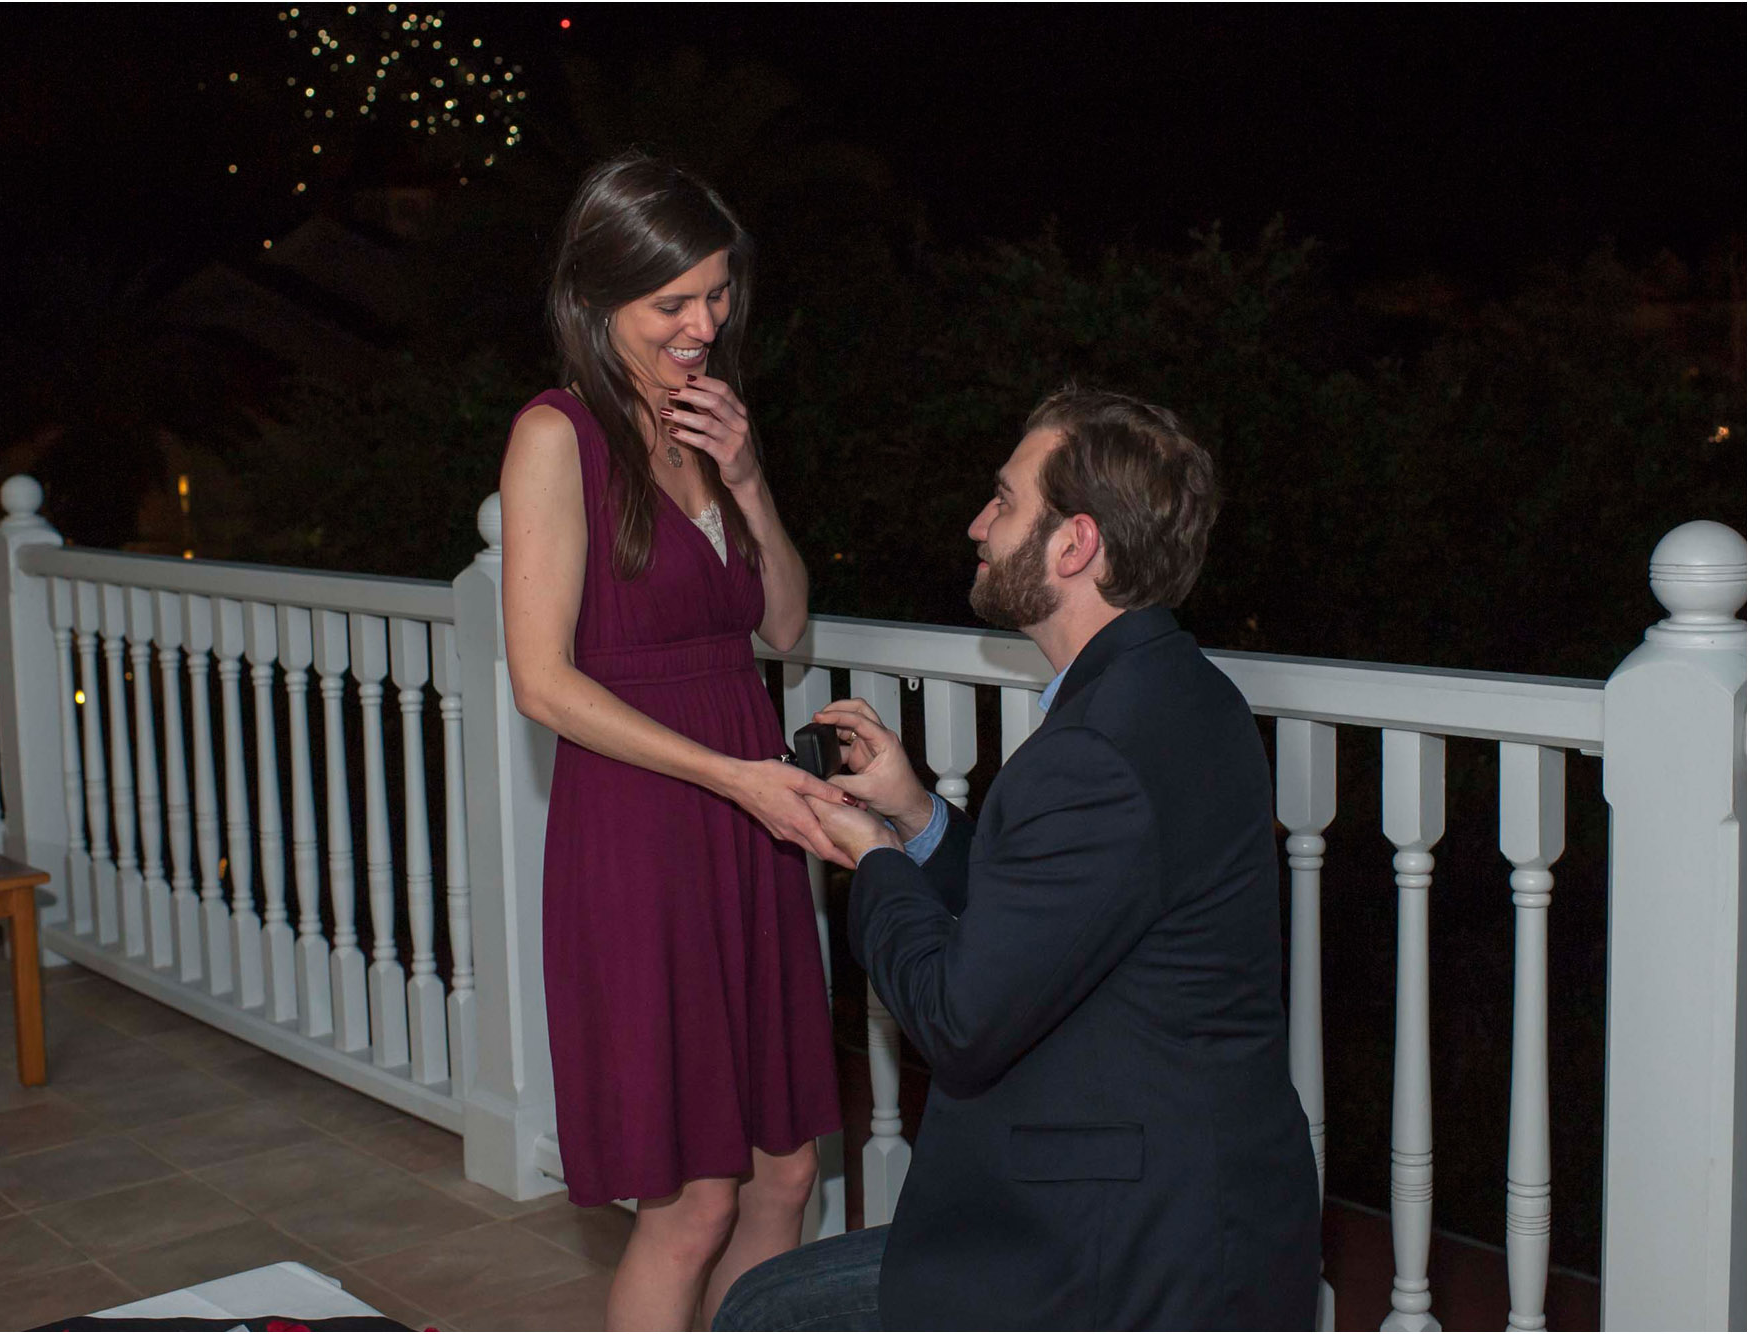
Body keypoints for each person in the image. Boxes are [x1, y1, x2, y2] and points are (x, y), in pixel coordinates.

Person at [713, 386, 1321, 1330]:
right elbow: (1050, 924)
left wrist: (871, 859)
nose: (978, 524)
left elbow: (959, 1019)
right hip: (1168, 1191)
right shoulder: (1183, 694)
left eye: (1003, 500)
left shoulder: (1096, 751)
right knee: (769, 1299)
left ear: (1075, 545)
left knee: (766, 1316)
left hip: (1123, 1244)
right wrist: (916, 817)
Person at [499, 152, 851, 1331]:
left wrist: (747, 480)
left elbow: (786, 625)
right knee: (692, 1201)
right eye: (673, 302)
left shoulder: (708, 428)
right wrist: (732, 776)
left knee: (786, 1169)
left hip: (745, 824)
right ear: (596, 302)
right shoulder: (556, 435)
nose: (705, 322)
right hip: (647, 828)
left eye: (717, 291)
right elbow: (542, 682)